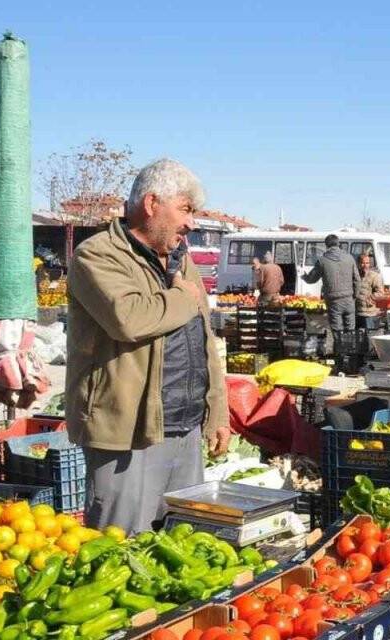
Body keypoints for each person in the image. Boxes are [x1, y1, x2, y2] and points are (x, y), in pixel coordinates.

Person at [66, 158, 230, 533]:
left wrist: (217, 409)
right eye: (186, 209)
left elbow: (203, 337)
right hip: (128, 431)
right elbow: (129, 318)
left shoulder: (179, 260)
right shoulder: (98, 255)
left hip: (184, 426)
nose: (191, 222)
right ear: (152, 203)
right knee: (121, 546)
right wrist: (185, 298)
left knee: (182, 543)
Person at [303, 233, 362, 336]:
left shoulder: (322, 261)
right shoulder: (349, 258)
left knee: (337, 330)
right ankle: (351, 350)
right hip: (349, 299)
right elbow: (357, 280)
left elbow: (312, 279)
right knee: (350, 329)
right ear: (338, 244)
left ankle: (340, 351)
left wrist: (304, 276)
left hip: (333, 301)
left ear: (326, 245)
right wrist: (354, 296)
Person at [355, 252, 386, 328]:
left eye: (367, 263)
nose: (365, 265)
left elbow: (380, 293)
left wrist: (369, 299)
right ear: (358, 264)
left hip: (370, 314)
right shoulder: (355, 276)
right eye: (362, 263)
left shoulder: (374, 276)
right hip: (357, 313)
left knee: (369, 337)